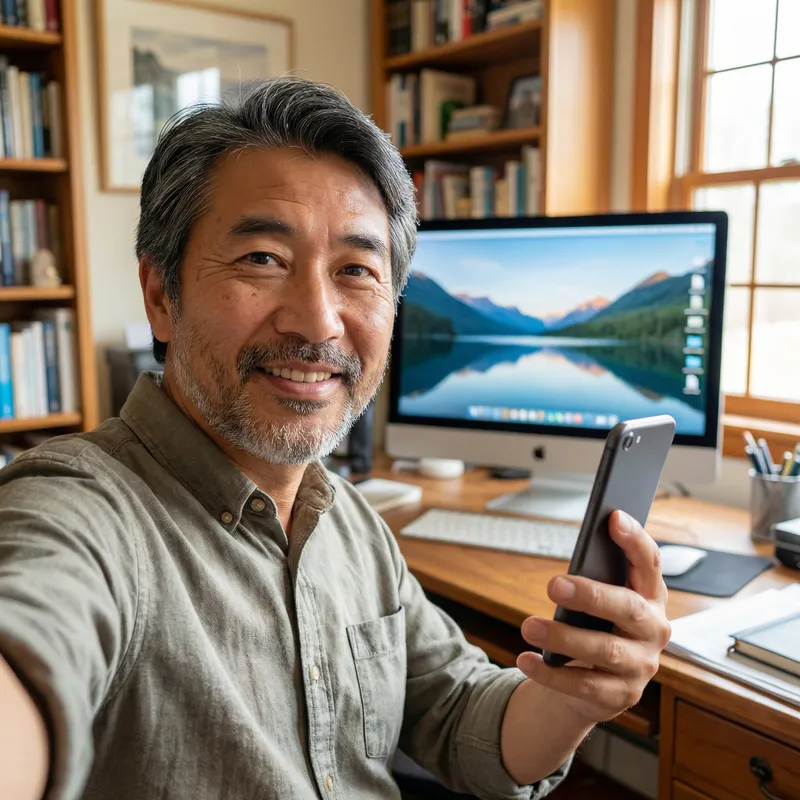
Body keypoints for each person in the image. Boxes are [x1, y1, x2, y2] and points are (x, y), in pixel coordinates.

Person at [0, 77, 671, 800]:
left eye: (356, 270)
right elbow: (32, 642)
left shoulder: (349, 521)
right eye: (263, 258)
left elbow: (458, 715)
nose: (318, 321)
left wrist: (576, 694)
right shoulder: (81, 508)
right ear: (162, 294)